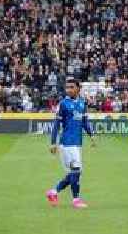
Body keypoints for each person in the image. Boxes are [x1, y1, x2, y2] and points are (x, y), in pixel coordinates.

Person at [46, 78, 96, 209]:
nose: (68, 90)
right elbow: (56, 124)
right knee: (76, 171)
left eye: (71, 87)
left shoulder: (82, 103)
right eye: (67, 87)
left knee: (74, 173)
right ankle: (76, 200)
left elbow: (85, 122)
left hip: (77, 143)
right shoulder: (63, 104)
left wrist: (91, 135)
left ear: (78, 88)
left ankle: (53, 192)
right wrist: (53, 143)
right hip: (67, 143)